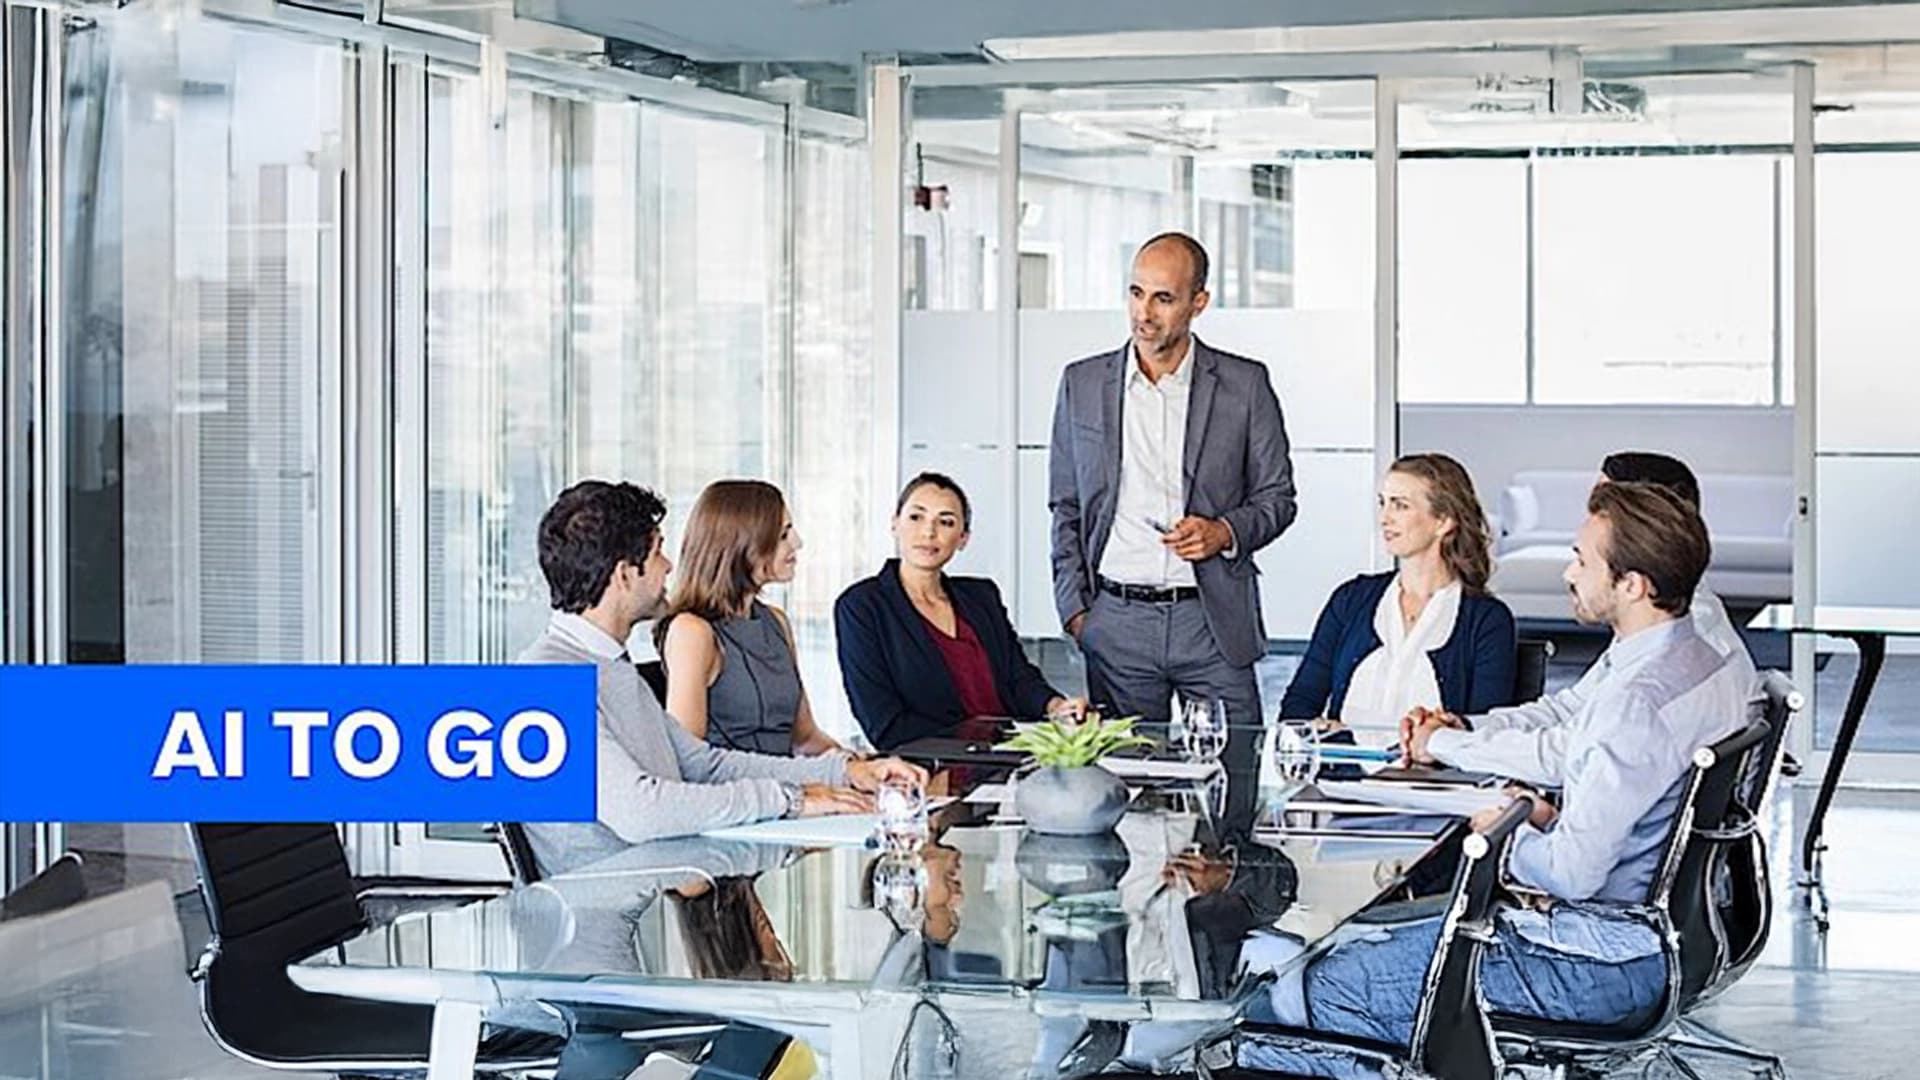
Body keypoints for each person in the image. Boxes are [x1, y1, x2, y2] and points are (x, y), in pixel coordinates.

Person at [1245, 482, 1748, 1067]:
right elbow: (1578, 739)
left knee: (1305, 987)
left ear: (1633, 585)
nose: (1569, 573)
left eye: (1583, 560)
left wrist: (1501, 832)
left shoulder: (1635, 703)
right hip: (1640, 943)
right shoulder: (1689, 656)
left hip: (1590, 960)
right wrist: (1473, 749)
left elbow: (1573, 873)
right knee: (1349, 947)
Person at [518, 479, 923, 876]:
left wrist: (845, 773)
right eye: (658, 551)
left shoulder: (607, 662)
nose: (670, 565)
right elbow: (641, 812)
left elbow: (701, 763)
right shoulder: (541, 681)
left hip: (661, 885)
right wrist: (792, 800)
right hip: (608, 910)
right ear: (625, 574)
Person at [1048, 231, 1296, 737]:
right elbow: (1065, 505)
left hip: (1211, 620)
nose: (1144, 313)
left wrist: (1223, 531)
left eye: (1163, 298)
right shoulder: (1083, 382)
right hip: (1115, 620)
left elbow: (1278, 498)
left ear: (1197, 303)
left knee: (1235, 777)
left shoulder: (1244, 385)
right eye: (1136, 293)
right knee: (1129, 790)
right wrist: (1076, 610)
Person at [836, 472, 1085, 751]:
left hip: (1013, 759)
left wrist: (1056, 707)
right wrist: (977, 750)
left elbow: (1018, 678)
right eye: (916, 517)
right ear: (895, 524)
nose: (929, 532)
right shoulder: (862, 606)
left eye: (946, 522)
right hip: (932, 772)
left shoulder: (981, 596)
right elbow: (884, 724)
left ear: (963, 538)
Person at [1279, 453, 1517, 731]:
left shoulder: (1487, 620)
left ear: (1444, 521)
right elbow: (1298, 705)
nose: (1384, 518)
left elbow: (1486, 732)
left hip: (1430, 775)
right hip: (1342, 771)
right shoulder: (1351, 599)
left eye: (1400, 506)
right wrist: (1316, 733)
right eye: (1383, 503)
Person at [656, 480, 846, 757]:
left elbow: (805, 739)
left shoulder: (776, 622)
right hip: (740, 795)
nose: (798, 543)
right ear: (741, 545)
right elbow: (690, 760)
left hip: (793, 790)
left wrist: (865, 767)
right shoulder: (692, 631)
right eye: (783, 535)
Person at [1600, 451, 1758, 691]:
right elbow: (1579, 705)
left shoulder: (1681, 634)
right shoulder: (1651, 609)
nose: (1589, 519)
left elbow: (1601, 719)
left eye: (1602, 508)